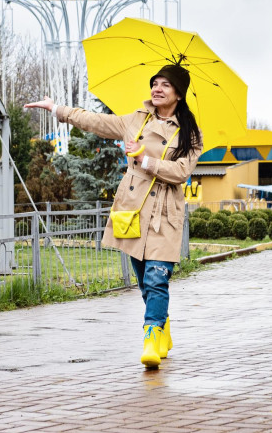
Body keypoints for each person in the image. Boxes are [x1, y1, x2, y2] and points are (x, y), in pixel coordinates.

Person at [25, 64, 203, 368]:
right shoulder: (135, 120)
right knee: (145, 282)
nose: (157, 89)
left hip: (165, 214)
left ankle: (151, 337)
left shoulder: (190, 133)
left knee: (157, 277)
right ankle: (162, 327)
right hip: (132, 212)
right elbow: (95, 121)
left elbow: (181, 172)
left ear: (178, 93)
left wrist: (143, 158)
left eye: (166, 85)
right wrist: (57, 108)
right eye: (155, 83)